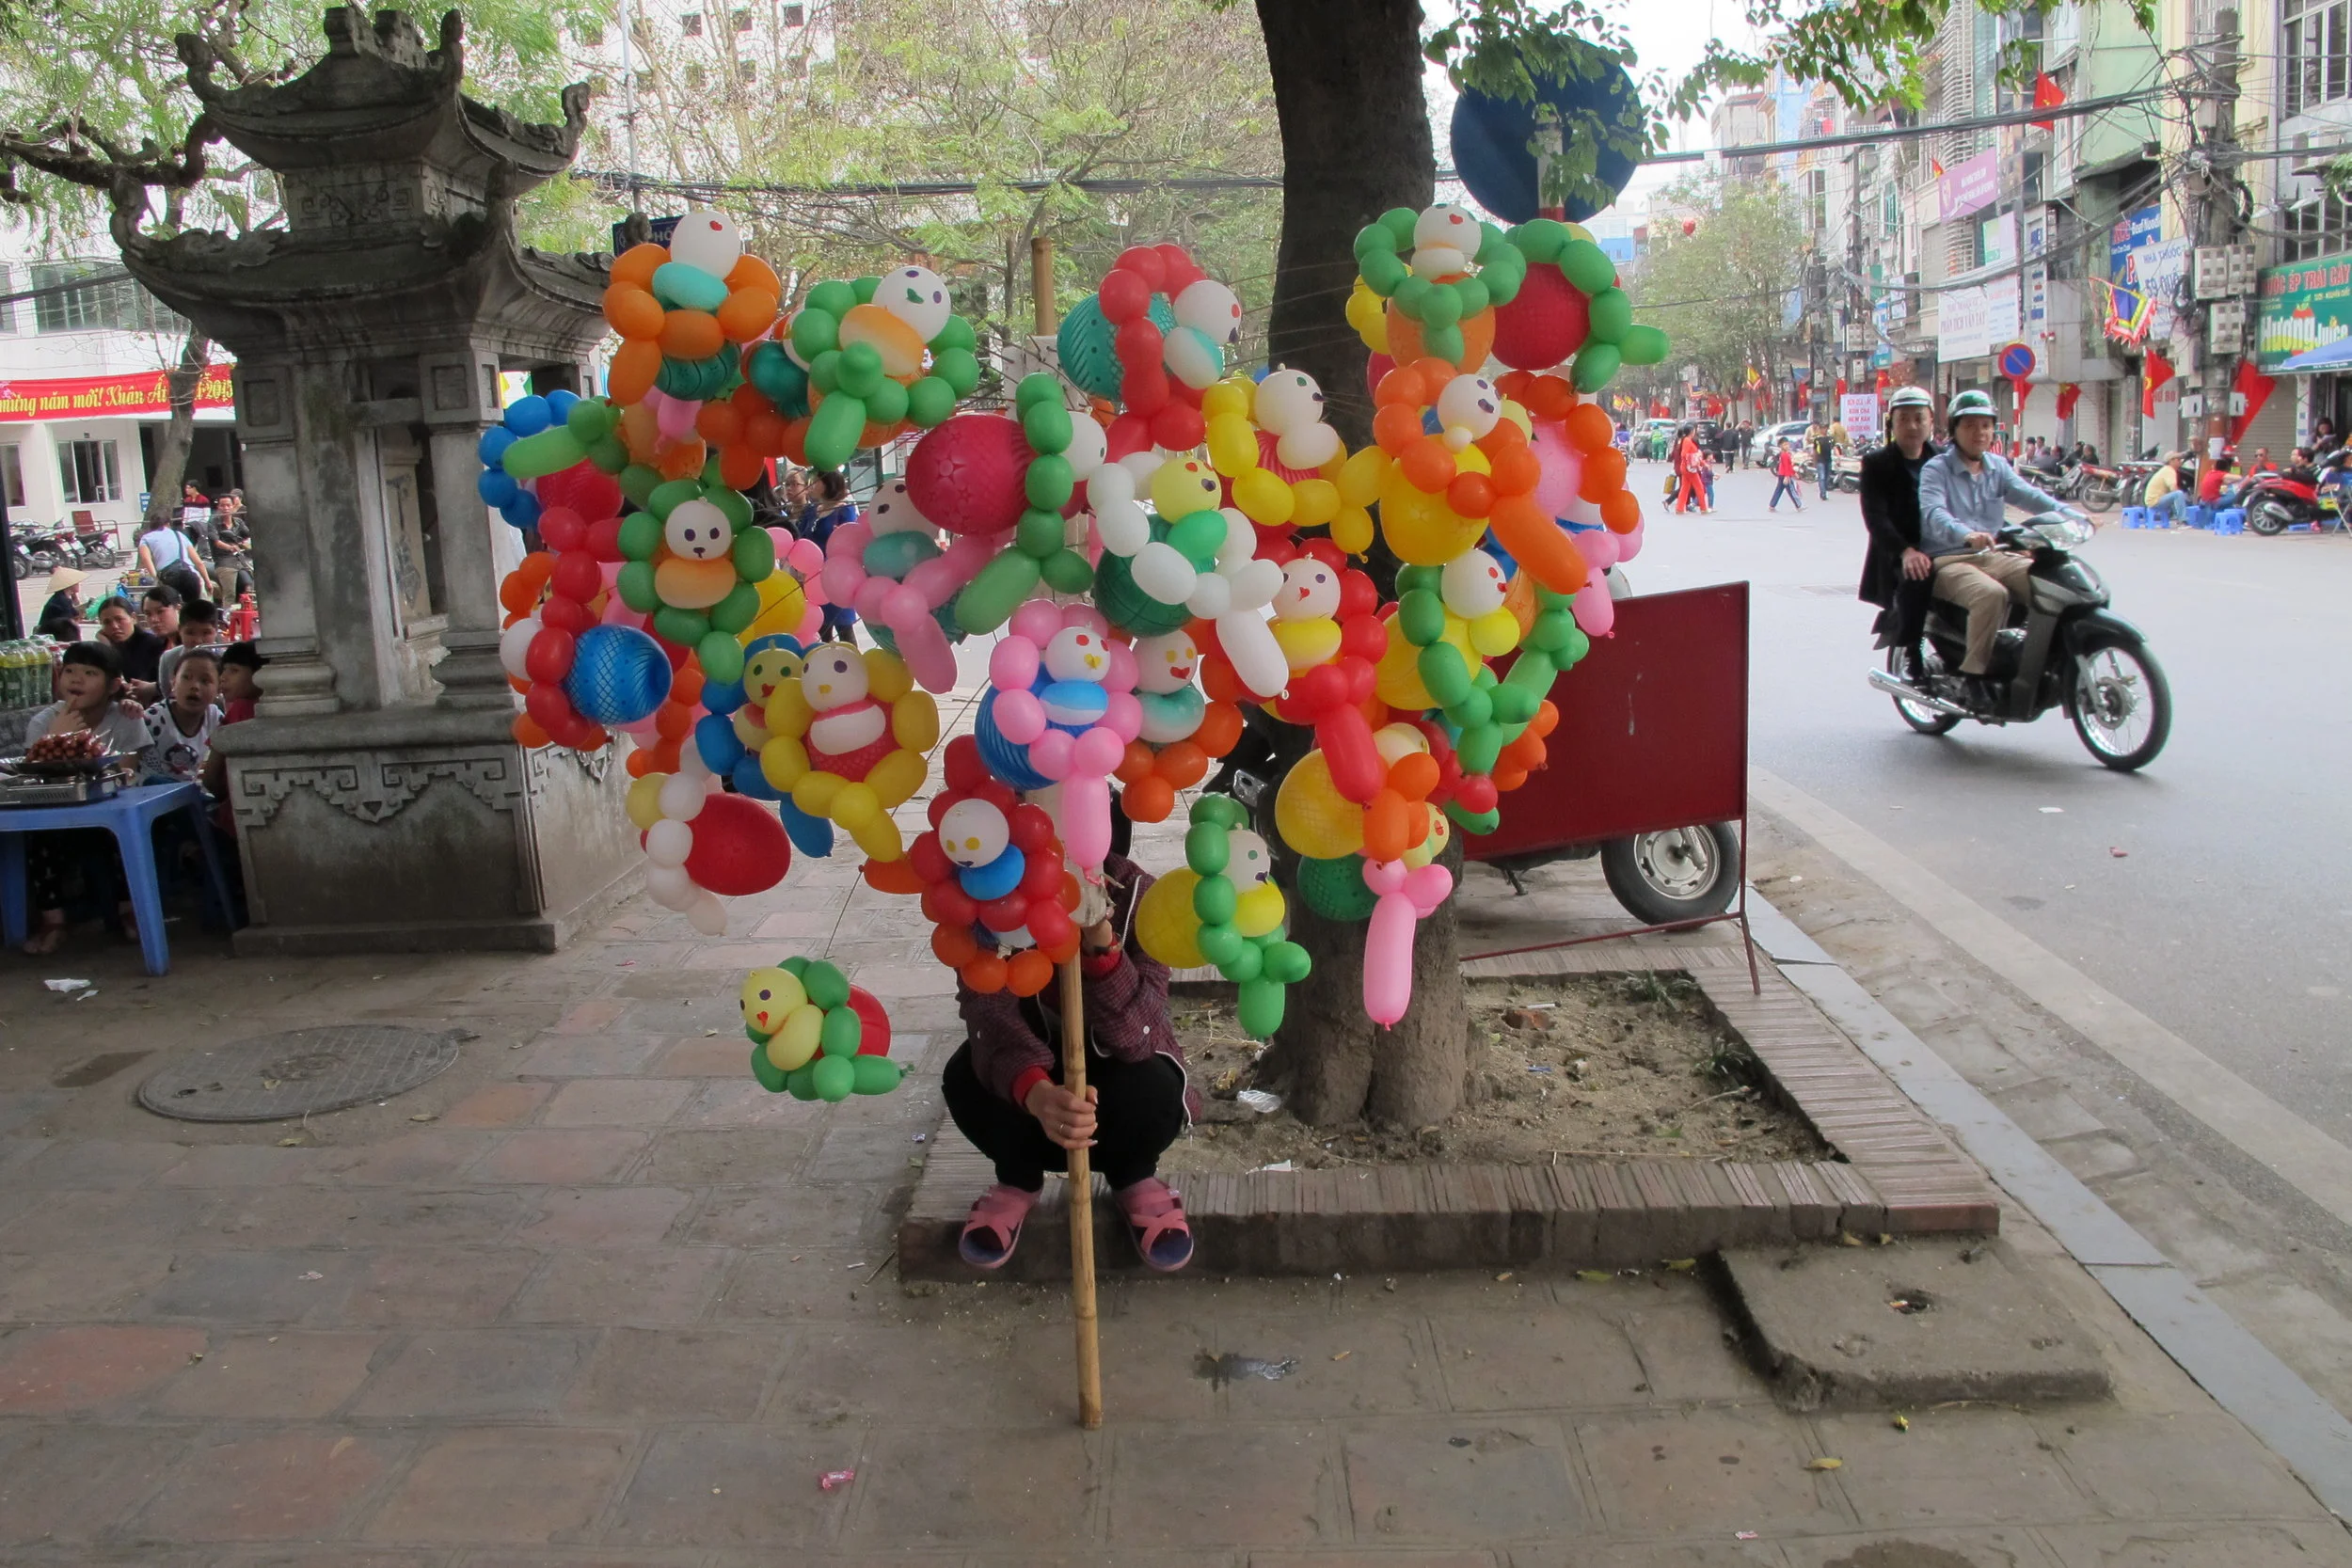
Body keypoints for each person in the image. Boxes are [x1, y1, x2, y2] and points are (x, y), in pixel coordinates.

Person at [943, 853, 1195, 1272]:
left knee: (1155, 1086)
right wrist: (1037, 1094)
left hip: (1113, 1103)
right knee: (966, 1075)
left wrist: (1100, 940)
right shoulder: (987, 895)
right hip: (1033, 1111)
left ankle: (1133, 1175)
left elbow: (1139, 1036)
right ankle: (1017, 1178)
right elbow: (985, 1013)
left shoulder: (1141, 897)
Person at [1915, 388, 2071, 706]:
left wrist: (2072, 516)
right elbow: (1933, 513)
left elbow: (2032, 497)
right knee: (1992, 594)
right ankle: (1972, 678)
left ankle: (2035, 660)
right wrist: (1965, 533)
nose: (1979, 432)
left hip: (1994, 554)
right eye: (1970, 425)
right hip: (1950, 559)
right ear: (1955, 430)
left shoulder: (1997, 467)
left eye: (1985, 425)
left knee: (2050, 584)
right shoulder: (1937, 469)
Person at [19, 641, 152, 955]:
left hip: (109, 810)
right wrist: (55, 737)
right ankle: (53, 921)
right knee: (40, 840)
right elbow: (34, 778)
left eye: (90, 673)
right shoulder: (43, 722)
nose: (76, 679)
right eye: (69, 671)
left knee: (120, 838)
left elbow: (126, 775)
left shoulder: (125, 718)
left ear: (113, 685)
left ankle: (129, 911)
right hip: (58, 813)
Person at [1857, 387, 1940, 678]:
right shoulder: (1877, 464)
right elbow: (1876, 518)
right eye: (1904, 419)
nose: (1913, 426)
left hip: (1943, 545)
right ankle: (1912, 648)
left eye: (1919, 418)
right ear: (1892, 423)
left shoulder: (1944, 460)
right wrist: (1906, 551)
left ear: (1931, 421)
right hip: (1899, 551)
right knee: (1919, 574)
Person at [140, 648, 221, 784]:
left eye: (205, 680)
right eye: (186, 677)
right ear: (173, 682)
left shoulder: (215, 717)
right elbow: (126, 767)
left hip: (189, 793)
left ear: (219, 688)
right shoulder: (152, 720)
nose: (194, 686)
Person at [798, 470, 861, 642]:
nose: (811, 485)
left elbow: (850, 540)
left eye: (816, 481)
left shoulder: (843, 510)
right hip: (813, 579)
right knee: (821, 629)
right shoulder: (810, 510)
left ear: (829, 484)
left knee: (844, 629)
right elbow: (801, 537)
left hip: (836, 578)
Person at [95, 597, 168, 698]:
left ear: (133, 618)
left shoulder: (154, 645)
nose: (115, 626)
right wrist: (106, 647)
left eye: (119, 619)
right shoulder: (110, 647)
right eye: (107, 622)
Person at [154, 599, 221, 700]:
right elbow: (167, 696)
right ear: (180, 630)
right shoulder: (168, 658)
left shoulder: (225, 659)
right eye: (190, 633)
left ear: (216, 631)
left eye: (206, 633)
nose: (198, 640)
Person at [137, 510, 209, 604]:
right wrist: (207, 581)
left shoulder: (146, 538)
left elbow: (146, 559)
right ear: (168, 524)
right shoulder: (180, 535)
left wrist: (155, 578)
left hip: (169, 579)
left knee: (174, 610)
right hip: (192, 575)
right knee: (198, 609)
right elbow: (199, 562)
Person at [37, 565, 87, 642]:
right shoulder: (62, 601)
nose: (78, 584)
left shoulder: (62, 598)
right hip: (54, 636)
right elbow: (71, 622)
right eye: (76, 583)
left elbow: (76, 615)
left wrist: (74, 596)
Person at [2142, 452, 2189, 528]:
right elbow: (2173, 488)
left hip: (2155, 499)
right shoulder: (2169, 470)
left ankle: (2178, 517)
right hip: (2155, 501)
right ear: (2171, 461)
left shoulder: (2166, 470)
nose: (2181, 461)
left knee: (2179, 496)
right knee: (2178, 494)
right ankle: (2182, 521)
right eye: (2178, 459)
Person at [1808, 412, 1846, 500]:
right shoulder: (1817, 439)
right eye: (1823, 428)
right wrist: (1814, 461)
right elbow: (1814, 451)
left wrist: (1838, 457)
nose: (1824, 430)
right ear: (1820, 429)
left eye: (1825, 428)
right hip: (1820, 461)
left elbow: (1835, 448)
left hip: (1828, 460)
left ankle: (1824, 490)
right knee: (1821, 477)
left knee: (1827, 477)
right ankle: (1823, 493)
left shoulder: (1830, 439)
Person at [1768, 438, 1804, 511]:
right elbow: (1786, 467)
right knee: (1792, 490)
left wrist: (1794, 473)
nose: (1787, 446)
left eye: (1787, 444)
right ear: (1781, 446)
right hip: (1785, 475)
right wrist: (1787, 476)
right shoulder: (1785, 455)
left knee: (1779, 490)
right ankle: (1799, 505)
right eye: (1785, 445)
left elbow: (1788, 466)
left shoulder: (1784, 454)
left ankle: (1772, 505)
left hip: (1782, 474)